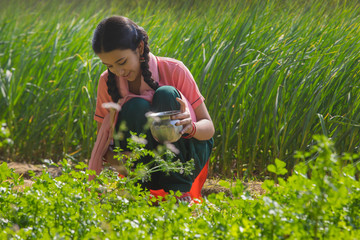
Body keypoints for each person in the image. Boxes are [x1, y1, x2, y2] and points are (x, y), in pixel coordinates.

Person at [88, 16, 214, 201]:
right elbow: (104, 144)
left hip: (185, 159)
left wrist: (191, 127)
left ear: (139, 48)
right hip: (144, 169)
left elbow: (209, 129)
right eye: (109, 66)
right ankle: (140, 193)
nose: (118, 72)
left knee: (166, 94)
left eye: (122, 62)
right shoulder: (107, 81)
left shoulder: (175, 70)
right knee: (134, 106)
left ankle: (178, 194)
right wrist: (120, 160)